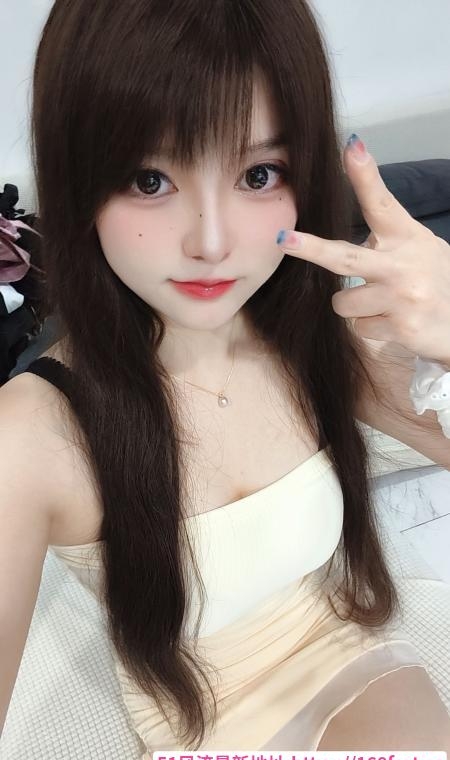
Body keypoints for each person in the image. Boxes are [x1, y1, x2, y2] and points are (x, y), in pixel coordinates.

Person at [1, 0, 450, 755]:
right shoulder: (33, 436)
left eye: (258, 173)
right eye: (149, 179)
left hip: (354, 662)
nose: (211, 243)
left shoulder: (322, 334)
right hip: (193, 719)